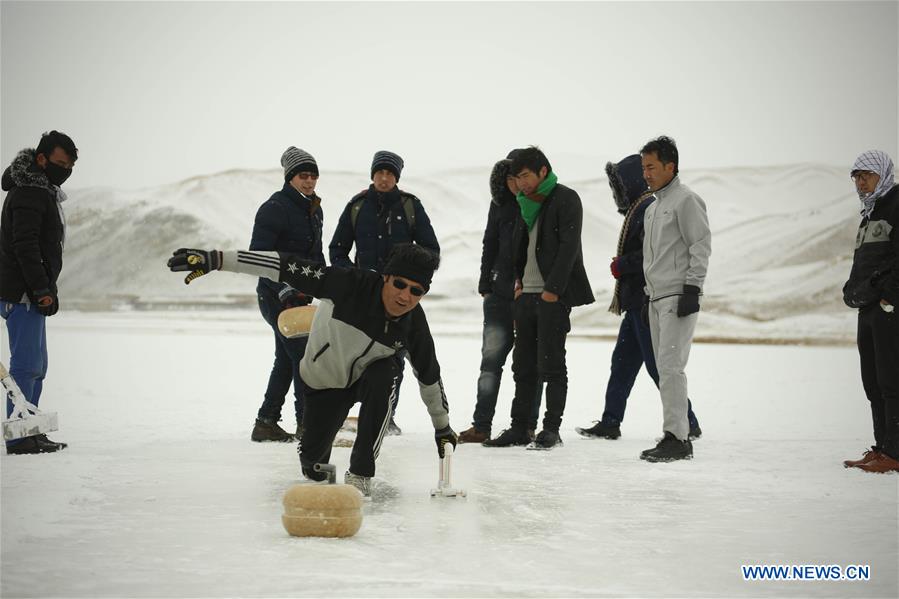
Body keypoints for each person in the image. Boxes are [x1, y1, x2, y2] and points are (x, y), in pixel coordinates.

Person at [168, 244, 456, 496]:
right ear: (386, 277)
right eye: (400, 284)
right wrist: (217, 259)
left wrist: (442, 428)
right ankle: (316, 457)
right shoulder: (348, 284)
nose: (405, 296)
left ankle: (360, 473)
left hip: (367, 381)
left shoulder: (414, 325)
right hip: (322, 383)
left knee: (386, 373)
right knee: (315, 468)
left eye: (416, 291)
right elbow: (282, 266)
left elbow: (429, 377)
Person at [575, 155, 701, 441]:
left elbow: (652, 253)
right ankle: (610, 421)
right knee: (622, 363)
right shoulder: (641, 207)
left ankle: (687, 422)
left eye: (617, 185)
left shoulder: (646, 208)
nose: (615, 193)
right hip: (636, 303)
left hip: (646, 301)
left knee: (659, 366)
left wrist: (623, 265)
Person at [483, 147, 594, 450]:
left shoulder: (565, 198)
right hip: (525, 295)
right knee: (524, 366)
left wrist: (552, 290)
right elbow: (520, 247)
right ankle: (520, 427)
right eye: (517, 178)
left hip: (551, 297)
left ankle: (551, 429)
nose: (520, 183)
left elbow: (569, 247)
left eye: (525, 176)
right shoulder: (523, 202)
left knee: (552, 365)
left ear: (543, 171)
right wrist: (519, 283)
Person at [328, 151, 440, 435]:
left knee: (393, 359)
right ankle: (338, 413)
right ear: (372, 174)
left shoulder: (410, 206)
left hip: (398, 299)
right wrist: (354, 279)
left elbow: (431, 251)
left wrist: (410, 275)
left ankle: (385, 417)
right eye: (380, 172)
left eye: (390, 173)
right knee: (350, 355)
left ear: (397, 178)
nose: (384, 177)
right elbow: (337, 250)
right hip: (364, 296)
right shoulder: (357, 206)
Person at [1, 131, 78, 454]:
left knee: (37, 365)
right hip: (22, 292)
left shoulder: (40, 190)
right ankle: (19, 437)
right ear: (41, 159)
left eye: (70, 166)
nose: (65, 170)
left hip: (30, 291)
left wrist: (47, 288)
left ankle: (29, 429)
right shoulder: (31, 192)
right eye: (60, 164)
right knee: (27, 365)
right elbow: (26, 245)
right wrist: (41, 288)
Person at [458, 151, 541, 444]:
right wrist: (485, 284)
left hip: (529, 295)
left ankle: (527, 425)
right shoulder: (499, 206)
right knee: (490, 363)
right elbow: (489, 243)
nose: (515, 184)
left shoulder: (537, 204)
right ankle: (481, 425)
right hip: (498, 295)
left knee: (529, 363)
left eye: (519, 177)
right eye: (510, 178)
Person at [638, 136, 711, 462]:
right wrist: (646, 295)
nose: (646, 174)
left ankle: (678, 438)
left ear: (671, 166)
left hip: (678, 296)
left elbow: (700, 245)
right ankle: (672, 433)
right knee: (663, 367)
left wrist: (692, 289)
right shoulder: (654, 208)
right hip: (656, 297)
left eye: (651, 167)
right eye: (644, 168)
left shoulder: (686, 201)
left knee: (671, 368)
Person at [248, 147, 325, 443]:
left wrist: (324, 286)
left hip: (302, 299)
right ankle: (307, 426)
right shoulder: (274, 208)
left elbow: (316, 255)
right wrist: (285, 290)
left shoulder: (314, 209)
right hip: (274, 296)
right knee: (303, 358)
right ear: (290, 177)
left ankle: (266, 421)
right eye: (303, 176)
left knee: (286, 358)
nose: (309, 181)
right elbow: (258, 257)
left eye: (313, 176)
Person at [841, 150, 899, 474]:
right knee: (872, 380)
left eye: (867, 176)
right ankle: (881, 448)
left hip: (890, 308)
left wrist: (886, 297)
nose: (862, 183)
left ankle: (896, 451)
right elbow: (863, 262)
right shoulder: (869, 213)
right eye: (857, 177)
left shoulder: (896, 205)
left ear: (882, 174)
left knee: (892, 379)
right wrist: (852, 290)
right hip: (869, 308)